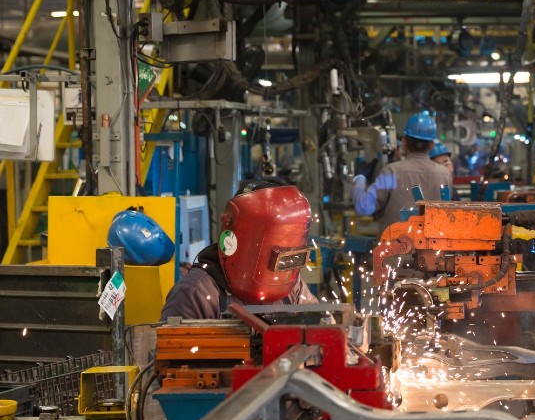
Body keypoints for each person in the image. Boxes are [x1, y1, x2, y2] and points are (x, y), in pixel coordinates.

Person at [160, 182, 316, 320]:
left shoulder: (290, 285)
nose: (278, 263)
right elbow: (173, 349)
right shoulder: (195, 294)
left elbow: (320, 325)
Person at [353, 111, 452, 232]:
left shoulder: (392, 172)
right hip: (431, 249)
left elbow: (364, 208)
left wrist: (360, 177)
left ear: (404, 141)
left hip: (396, 248)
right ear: (431, 145)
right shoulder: (444, 175)